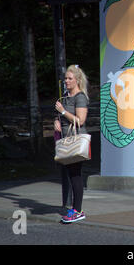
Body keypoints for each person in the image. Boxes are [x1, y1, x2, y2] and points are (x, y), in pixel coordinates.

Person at [54, 65, 89, 223]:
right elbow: (60, 116)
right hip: (66, 138)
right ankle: (75, 209)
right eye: (65, 78)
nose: (66, 81)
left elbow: (80, 121)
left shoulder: (80, 97)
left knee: (75, 175)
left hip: (76, 139)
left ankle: (78, 210)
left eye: (69, 78)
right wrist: (56, 121)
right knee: (71, 174)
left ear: (77, 80)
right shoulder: (66, 97)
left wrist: (62, 112)